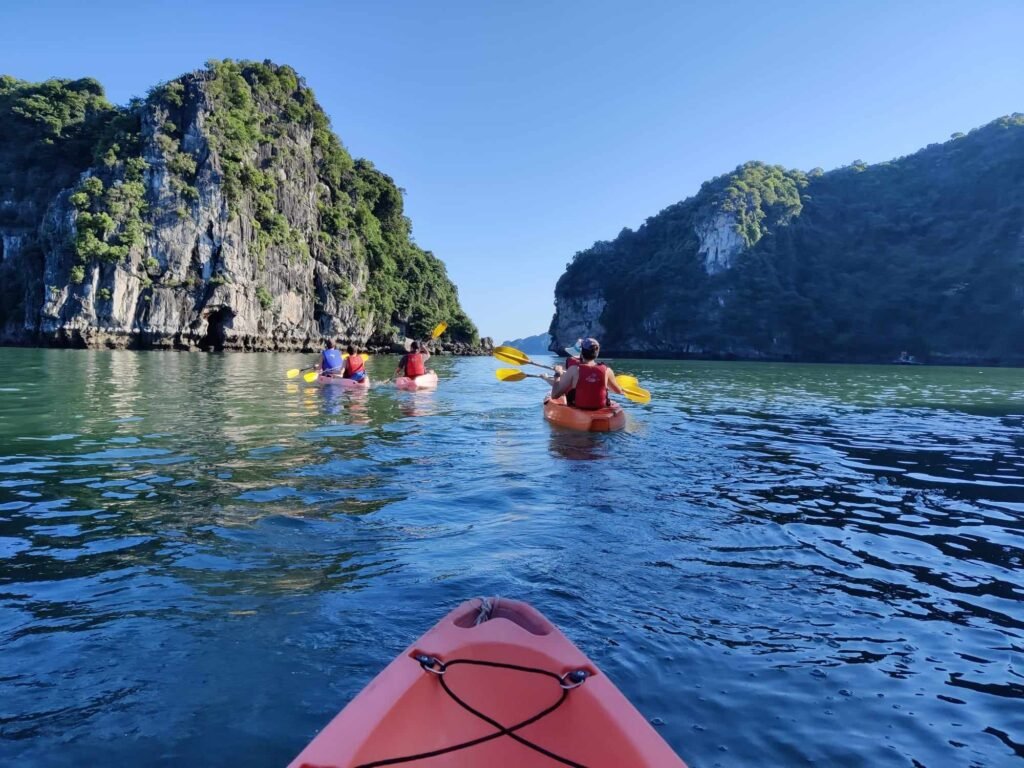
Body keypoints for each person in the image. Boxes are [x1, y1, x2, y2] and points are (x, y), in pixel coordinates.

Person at [547, 337, 623, 409]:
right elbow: (618, 391)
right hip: (600, 407)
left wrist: (557, 374)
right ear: (597, 353)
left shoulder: (574, 370)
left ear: (581, 353)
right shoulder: (607, 370)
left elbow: (554, 395)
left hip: (579, 408)